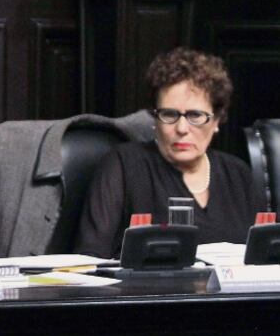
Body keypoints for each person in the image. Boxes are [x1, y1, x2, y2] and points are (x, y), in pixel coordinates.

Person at [75, 48, 266, 259]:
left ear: (217, 120)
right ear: (155, 119)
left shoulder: (237, 173)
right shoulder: (124, 165)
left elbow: (261, 258)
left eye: (195, 115)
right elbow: (88, 260)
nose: (182, 128)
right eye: (169, 114)